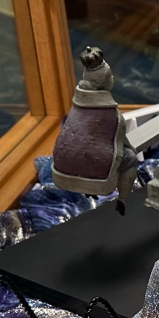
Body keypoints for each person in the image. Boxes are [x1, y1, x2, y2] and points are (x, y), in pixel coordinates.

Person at [51, 47, 137, 215]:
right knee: (131, 158)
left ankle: (89, 190)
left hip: (63, 162)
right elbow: (119, 142)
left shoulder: (77, 104)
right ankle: (123, 199)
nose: (112, 79)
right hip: (93, 163)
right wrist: (132, 149)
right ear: (102, 83)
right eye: (109, 77)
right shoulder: (112, 115)